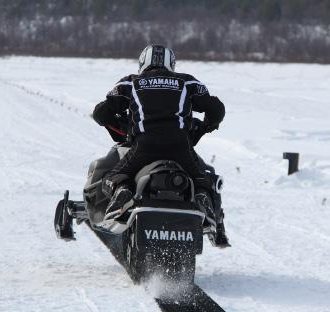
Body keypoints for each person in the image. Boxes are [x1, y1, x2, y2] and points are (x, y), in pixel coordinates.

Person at [92, 44, 229, 246]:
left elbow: (100, 113)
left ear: (142, 62)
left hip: (144, 145)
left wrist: (119, 124)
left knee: (113, 177)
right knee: (203, 179)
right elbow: (216, 109)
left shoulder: (130, 83)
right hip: (180, 146)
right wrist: (205, 127)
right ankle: (203, 201)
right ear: (171, 63)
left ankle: (122, 193)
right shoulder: (187, 81)